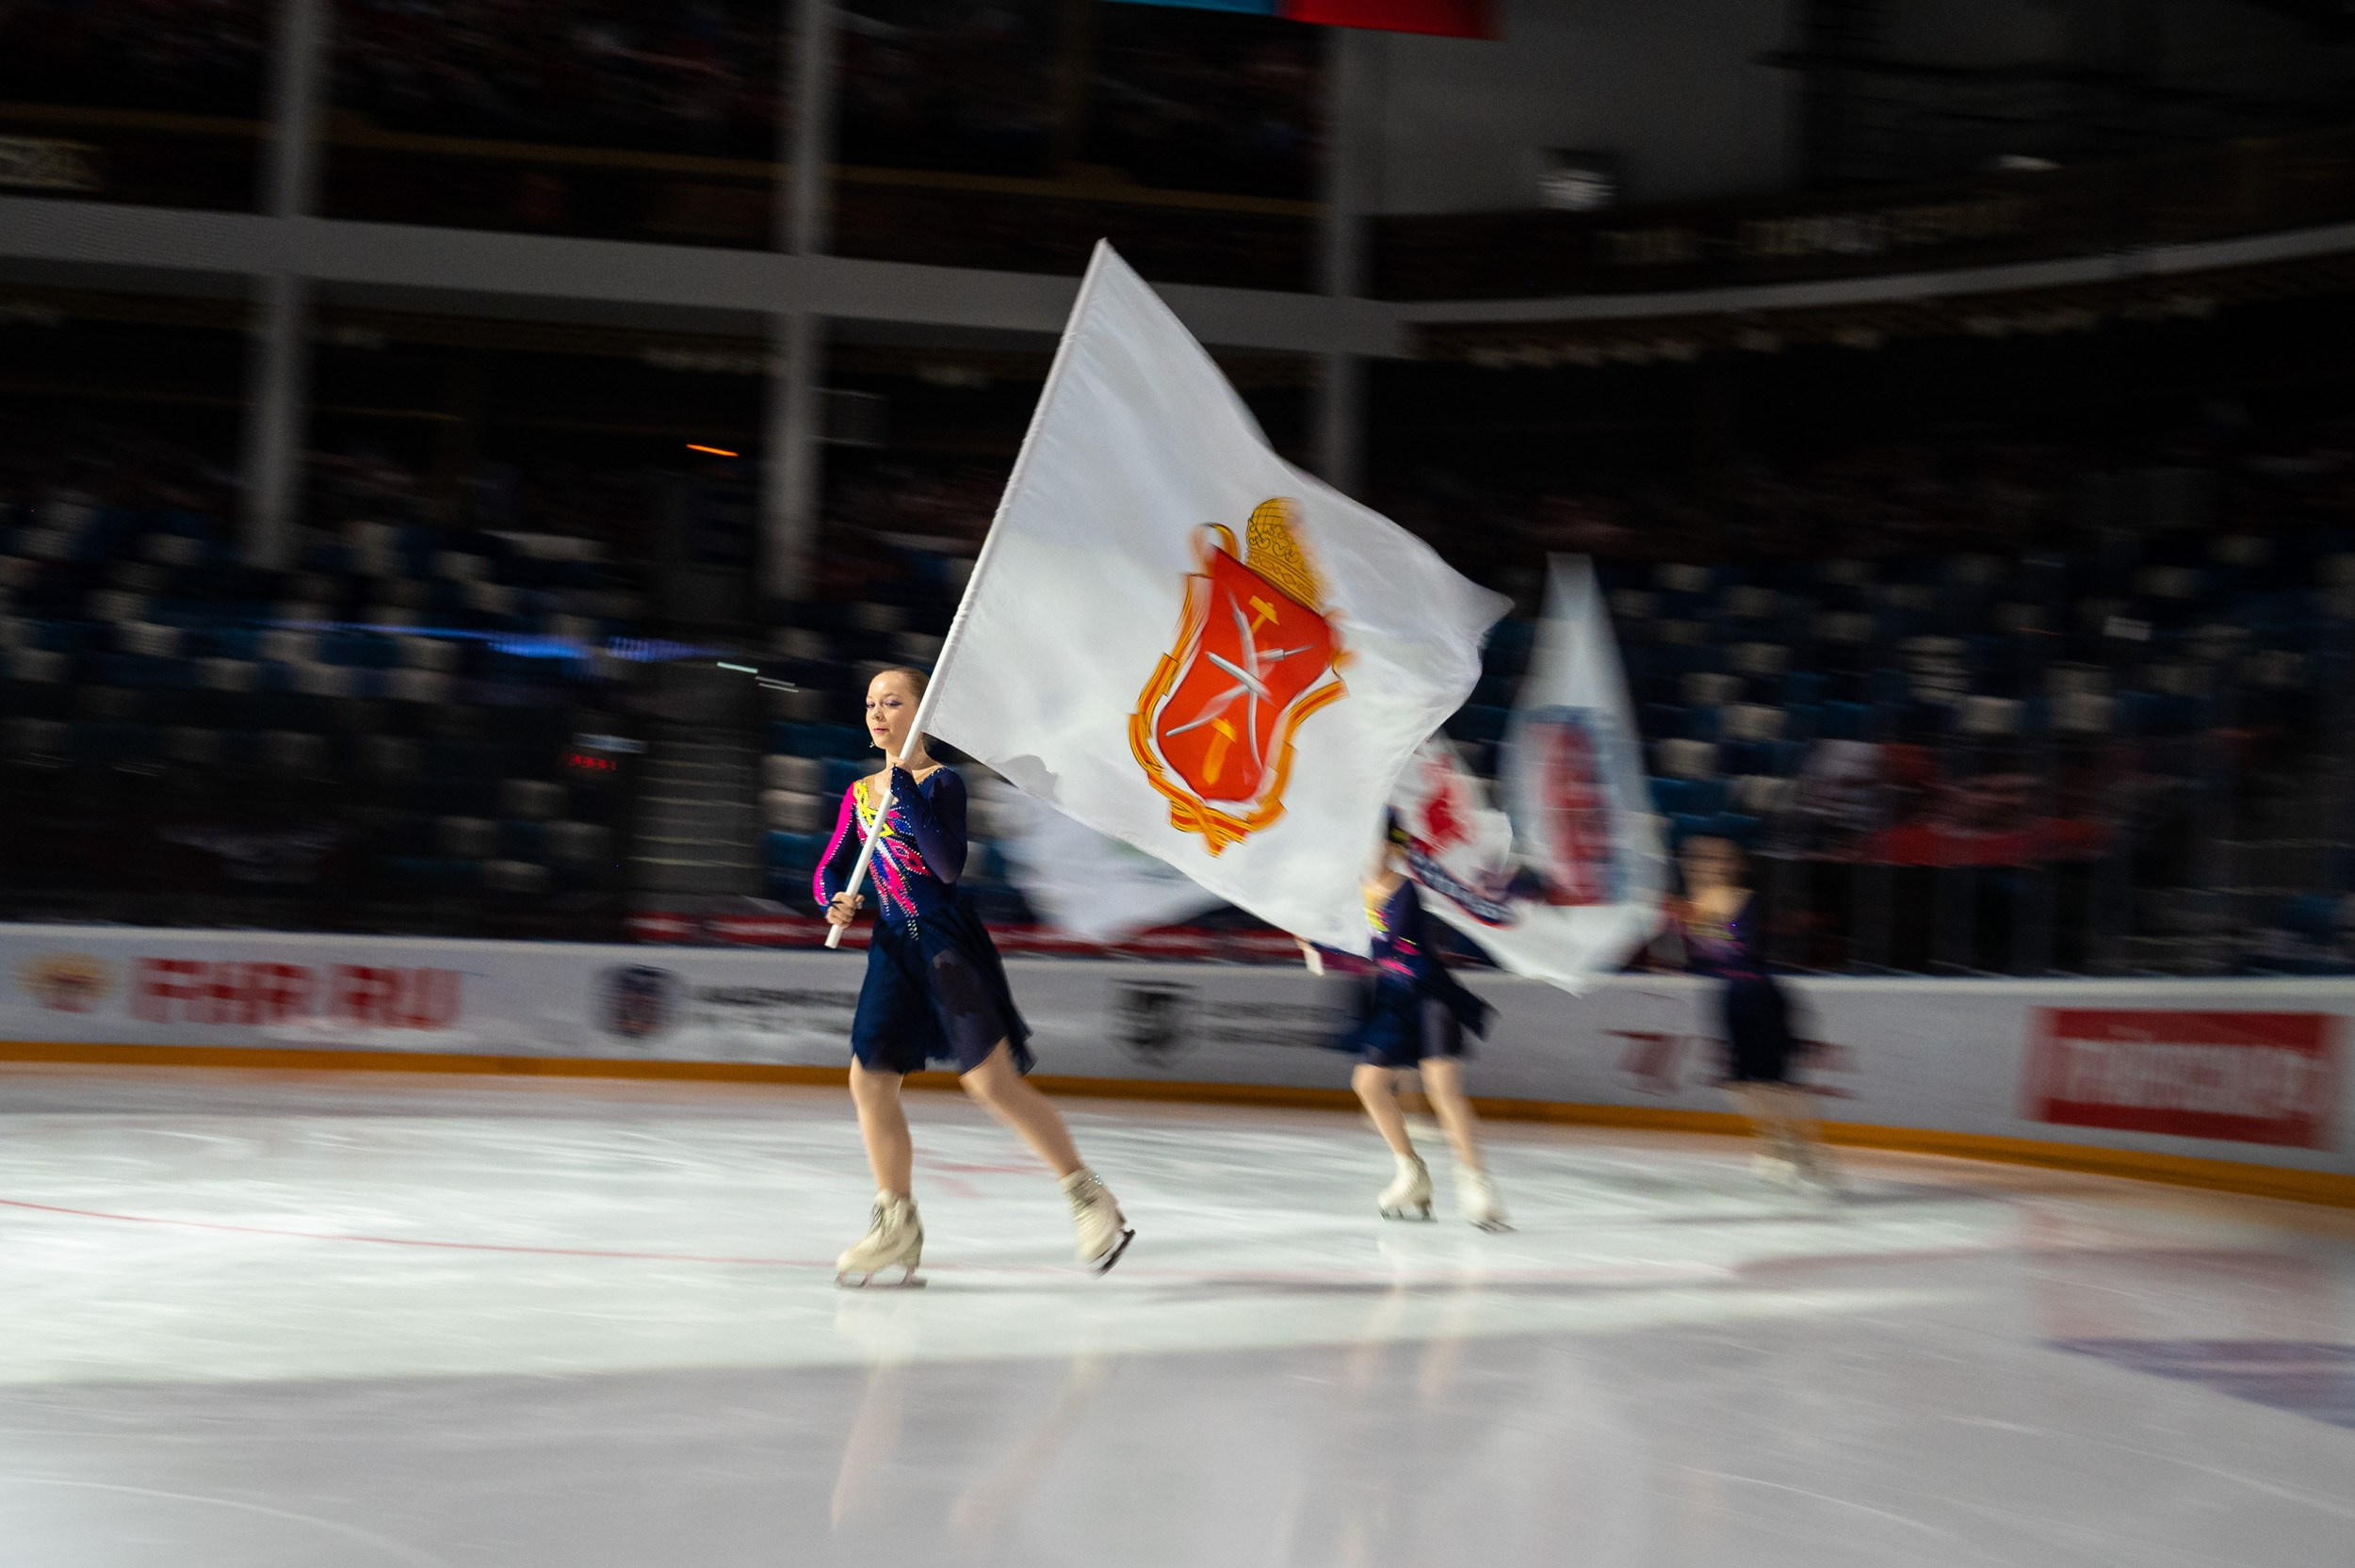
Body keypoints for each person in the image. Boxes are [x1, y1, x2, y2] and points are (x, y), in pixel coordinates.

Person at [818, 666, 1133, 1285]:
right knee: (870, 1079)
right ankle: (896, 1222)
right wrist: (833, 899)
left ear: (921, 711)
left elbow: (946, 864)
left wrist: (905, 789)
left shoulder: (942, 783)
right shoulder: (857, 793)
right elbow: (831, 865)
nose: (877, 712)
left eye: (893, 701)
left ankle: (1090, 1194)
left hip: (945, 943)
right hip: (893, 946)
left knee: (991, 1083)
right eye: (870, 703)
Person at [1306, 823, 1509, 1232]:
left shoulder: (1403, 891)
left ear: (1387, 849)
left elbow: (1384, 944)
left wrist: (1328, 946)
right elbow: (1357, 946)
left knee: (1443, 1088)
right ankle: (1411, 1173)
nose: (1364, 854)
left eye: (1372, 846)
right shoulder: (1355, 896)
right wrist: (1317, 941)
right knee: (1368, 1084)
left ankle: (1476, 1183)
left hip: (1431, 997)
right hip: (1394, 999)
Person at [1670, 833, 1838, 1195]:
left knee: (1775, 1084)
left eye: (1714, 859)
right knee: (1740, 1084)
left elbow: (1738, 947)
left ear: (1733, 865)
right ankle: (1778, 1147)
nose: (1703, 865)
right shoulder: (1694, 906)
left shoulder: (1743, 901)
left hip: (1761, 995)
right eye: (1698, 859)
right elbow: (1698, 961)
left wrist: (1701, 922)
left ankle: (1810, 1154)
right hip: (1729, 999)